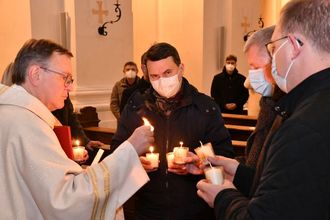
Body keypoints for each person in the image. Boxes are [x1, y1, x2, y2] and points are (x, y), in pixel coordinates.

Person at [196, 0, 330, 219]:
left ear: (294, 45)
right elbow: (289, 191)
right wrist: (238, 172)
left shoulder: (303, 125)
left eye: (274, 48)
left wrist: (223, 196)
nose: (273, 59)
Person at [0, 38, 154, 219]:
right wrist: (131, 149)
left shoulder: (12, 113)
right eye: (65, 78)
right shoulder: (28, 125)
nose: (71, 87)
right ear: (36, 74)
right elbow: (67, 201)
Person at [111, 42, 234, 220]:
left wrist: (199, 162)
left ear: (181, 68)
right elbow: (117, 149)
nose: (162, 80)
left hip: (194, 209)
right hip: (148, 209)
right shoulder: (136, 106)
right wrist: (134, 159)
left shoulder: (205, 107)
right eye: (154, 76)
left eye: (168, 73)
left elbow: (225, 154)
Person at [242, 25, 286, 168]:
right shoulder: (269, 101)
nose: (252, 73)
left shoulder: (287, 106)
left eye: (255, 67)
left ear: (275, 61)